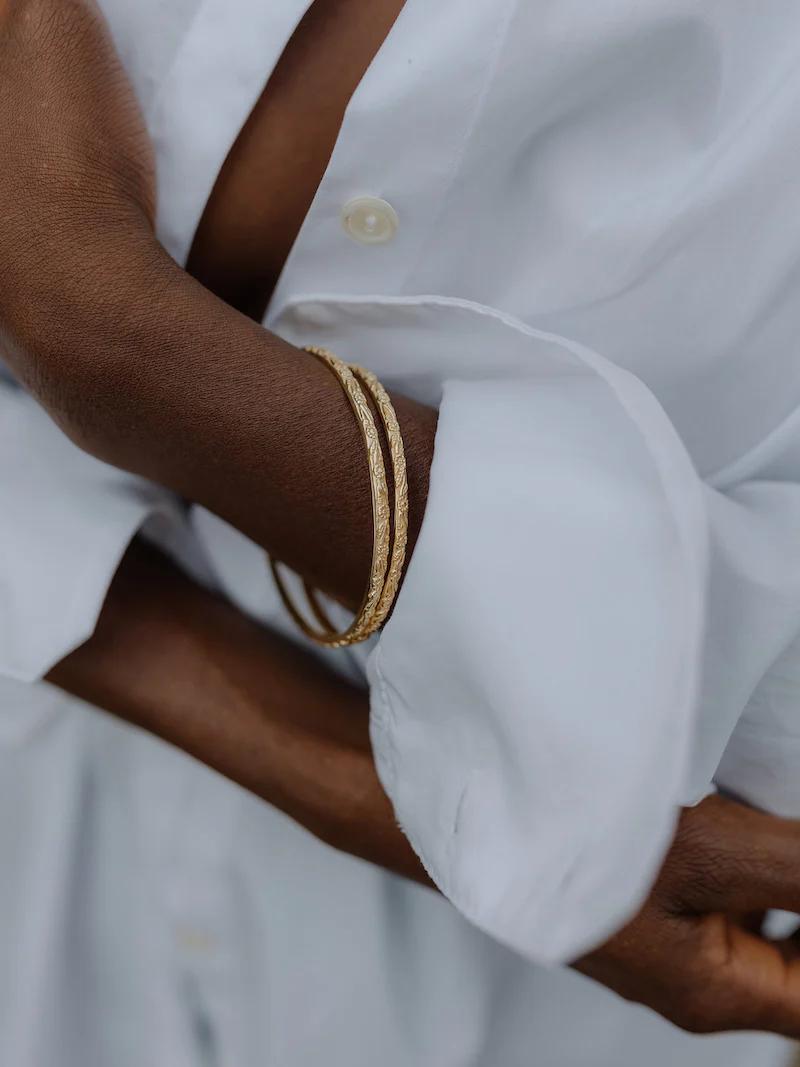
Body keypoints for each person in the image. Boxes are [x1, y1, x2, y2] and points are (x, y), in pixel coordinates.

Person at [2, 0, 800, 1063]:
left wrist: (107, 332)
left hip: (522, 1006)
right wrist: (342, 777)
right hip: (51, 818)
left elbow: (772, 730)